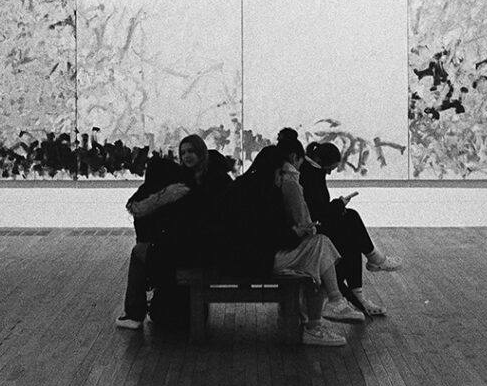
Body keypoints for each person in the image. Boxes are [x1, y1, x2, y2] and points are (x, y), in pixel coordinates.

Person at [220, 133, 364, 347]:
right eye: (281, 173)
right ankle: (324, 314)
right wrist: (296, 233)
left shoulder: (246, 187)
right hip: (256, 261)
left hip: (249, 257)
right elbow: (265, 235)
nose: (282, 178)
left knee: (319, 247)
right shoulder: (264, 194)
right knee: (319, 249)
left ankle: (330, 307)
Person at [116, 134, 232, 330]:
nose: (187, 156)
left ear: (200, 152)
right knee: (148, 250)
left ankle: (134, 313)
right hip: (199, 247)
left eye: (191, 151)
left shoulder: (189, 183)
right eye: (183, 152)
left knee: (139, 252)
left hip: (193, 249)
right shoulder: (202, 177)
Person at [300, 140, 402, 317]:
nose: (330, 172)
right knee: (352, 220)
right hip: (312, 230)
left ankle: (368, 274)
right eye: (330, 168)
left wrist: (337, 205)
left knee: (352, 234)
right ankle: (374, 261)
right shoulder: (312, 174)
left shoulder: (313, 171)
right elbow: (318, 211)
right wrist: (339, 204)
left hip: (313, 226)